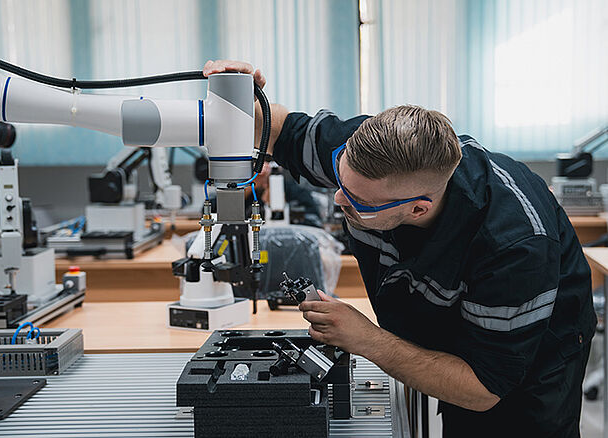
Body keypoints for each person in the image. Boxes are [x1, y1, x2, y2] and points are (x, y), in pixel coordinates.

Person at [203, 60, 596, 437]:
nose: (339, 199)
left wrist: (367, 339)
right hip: (451, 321)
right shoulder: (366, 159)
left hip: (531, 364)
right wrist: (238, 95)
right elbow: (277, 128)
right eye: (341, 178)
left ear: (418, 207)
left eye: (359, 202)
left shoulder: (513, 247)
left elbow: (483, 388)